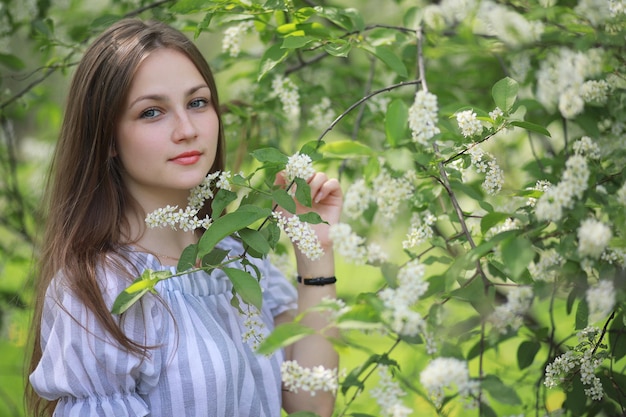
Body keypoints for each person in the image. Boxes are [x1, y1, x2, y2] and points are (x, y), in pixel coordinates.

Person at [25, 18, 342, 417]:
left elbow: (311, 402)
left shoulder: (238, 260)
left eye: (197, 103)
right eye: (152, 112)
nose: (187, 129)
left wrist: (315, 249)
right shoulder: (100, 290)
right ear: (106, 138)